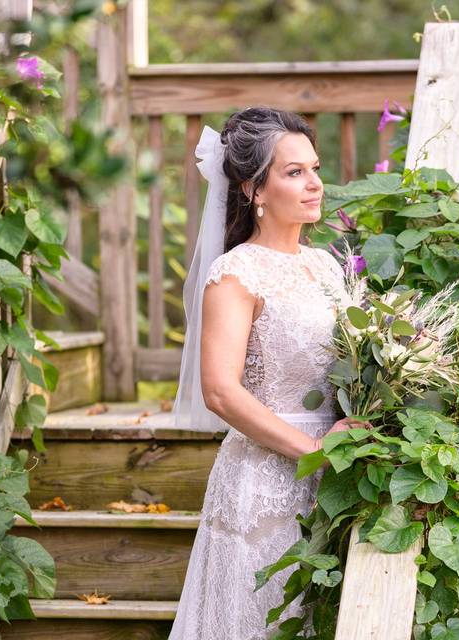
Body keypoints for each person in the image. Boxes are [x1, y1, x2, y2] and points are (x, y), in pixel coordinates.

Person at [169, 106, 370, 639]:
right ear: (253, 189)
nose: (315, 184)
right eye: (294, 172)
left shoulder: (326, 264)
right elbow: (219, 390)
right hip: (265, 483)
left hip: (337, 476)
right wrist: (317, 452)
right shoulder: (236, 272)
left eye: (316, 168)